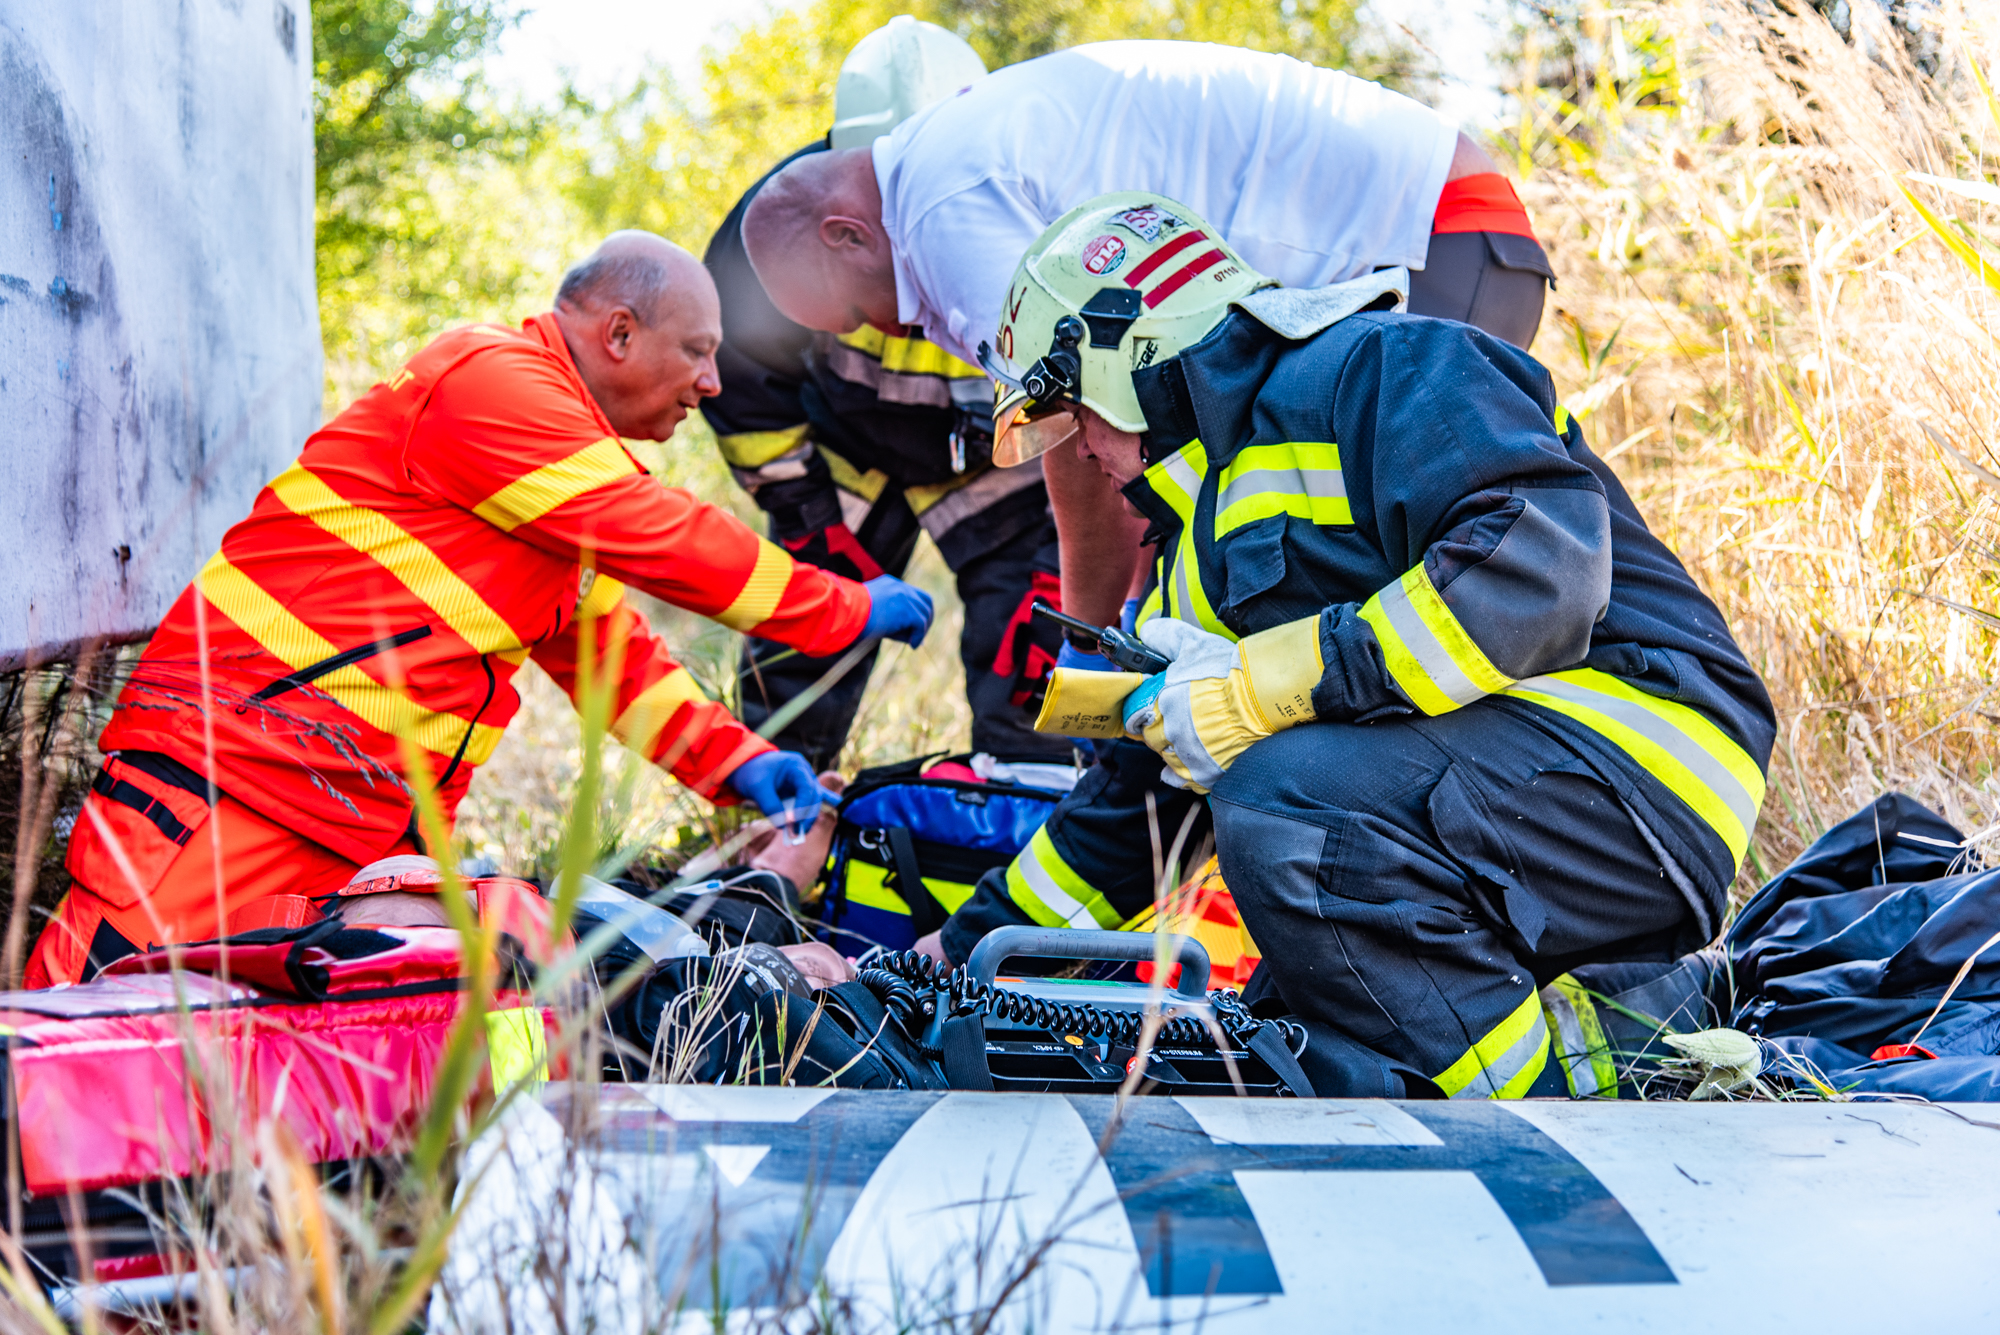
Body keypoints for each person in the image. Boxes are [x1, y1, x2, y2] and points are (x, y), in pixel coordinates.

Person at [916, 194, 1775, 1100]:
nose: (1078, 450)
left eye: (1071, 410)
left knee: (1291, 819)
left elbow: (1539, 572)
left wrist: (1262, 689)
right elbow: (1135, 816)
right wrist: (946, 963)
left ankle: (1539, 1120)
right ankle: (1633, 1045)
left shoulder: (1384, 369)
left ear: (1123, 355)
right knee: (1296, 1018)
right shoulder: (1186, 555)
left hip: (1647, 755)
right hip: (1519, 794)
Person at [26, 232, 934, 988]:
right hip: (233, 787)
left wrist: (740, 761)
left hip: (344, 821)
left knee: (241, 1061)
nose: (713, 383)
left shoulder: (556, 483)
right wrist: (842, 608)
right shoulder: (492, 381)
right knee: (77, 1037)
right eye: (697, 350)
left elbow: (608, 659)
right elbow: (669, 537)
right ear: (619, 332)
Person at [738, 39, 1560, 636]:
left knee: (1380, 574)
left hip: (1427, 238)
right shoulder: (952, 160)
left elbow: (1071, 422)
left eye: (856, 314)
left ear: (847, 233)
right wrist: (1141, 599)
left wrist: (1088, 634)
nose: (886, 335)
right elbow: (1136, 416)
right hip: (1438, 231)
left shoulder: (936, 208)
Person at [705, 17, 1073, 767]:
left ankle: (1026, 825)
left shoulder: (1046, 193)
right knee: (806, 633)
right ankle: (766, 820)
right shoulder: (782, 224)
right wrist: (808, 516)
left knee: (1033, 650)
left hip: (999, 460)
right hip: (848, 455)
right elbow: (741, 386)